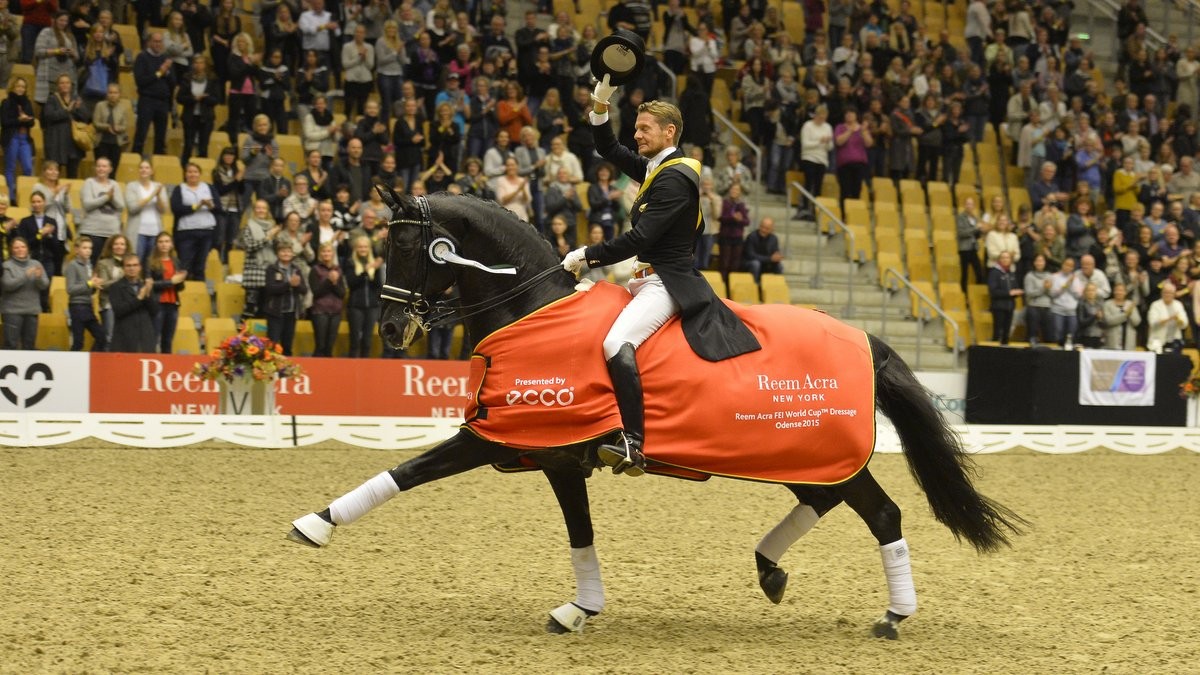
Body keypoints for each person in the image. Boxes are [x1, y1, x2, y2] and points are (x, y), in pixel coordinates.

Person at [561, 85, 760, 476]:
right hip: (642, 279)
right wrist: (601, 104)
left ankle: (633, 442)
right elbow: (609, 150)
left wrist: (585, 255)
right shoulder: (658, 168)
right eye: (635, 128)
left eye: (644, 129)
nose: (636, 136)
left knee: (617, 341)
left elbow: (640, 239)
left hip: (665, 283)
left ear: (669, 132)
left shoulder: (674, 178)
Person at [171, 162, 222, 282]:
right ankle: (184, 294)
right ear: (185, 174)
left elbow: (219, 208)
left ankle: (199, 292)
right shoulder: (179, 188)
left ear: (200, 174)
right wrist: (196, 206)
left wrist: (210, 205)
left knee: (200, 266)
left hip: (206, 232)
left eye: (195, 172)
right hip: (186, 232)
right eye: (189, 172)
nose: (192, 174)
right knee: (185, 265)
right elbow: (176, 209)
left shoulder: (209, 187)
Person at [131, 31, 175, 156]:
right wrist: (160, 72)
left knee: (160, 138)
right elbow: (140, 81)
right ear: (149, 42)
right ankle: (136, 159)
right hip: (147, 100)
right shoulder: (142, 57)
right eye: (155, 41)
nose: (157, 44)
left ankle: (158, 163)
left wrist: (167, 72)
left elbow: (173, 82)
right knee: (141, 134)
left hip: (163, 102)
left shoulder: (166, 59)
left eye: (160, 41)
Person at [1, 237, 49, 349]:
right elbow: (7, 285)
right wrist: (25, 275)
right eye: (16, 247)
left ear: (27, 249)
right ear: (11, 250)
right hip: (12, 312)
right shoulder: (6, 265)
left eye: (23, 247)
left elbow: (44, 285)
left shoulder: (36, 263)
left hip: (31, 310)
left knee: (29, 345)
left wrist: (38, 278)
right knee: (11, 344)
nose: (20, 249)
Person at [262, 239, 307, 356]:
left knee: (287, 346)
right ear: (278, 253)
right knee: (273, 345)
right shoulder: (271, 269)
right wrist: (288, 284)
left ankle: (287, 372)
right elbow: (270, 288)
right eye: (283, 251)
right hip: (275, 313)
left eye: (288, 251)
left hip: (292, 313)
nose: (286, 254)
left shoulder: (296, 269)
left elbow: (304, 290)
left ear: (292, 254)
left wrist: (297, 286)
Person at [108, 253, 157, 353]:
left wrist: (148, 295)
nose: (132, 268)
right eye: (128, 265)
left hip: (145, 337)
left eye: (135, 265)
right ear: (123, 268)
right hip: (124, 338)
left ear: (140, 267)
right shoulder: (115, 287)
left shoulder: (145, 286)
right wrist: (138, 298)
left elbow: (155, 311)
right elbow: (119, 311)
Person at [64, 236, 106, 351]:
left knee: (101, 336)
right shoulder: (73, 265)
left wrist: (95, 285)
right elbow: (70, 289)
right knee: (78, 342)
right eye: (85, 248)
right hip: (77, 306)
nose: (88, 251)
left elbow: (89, 288)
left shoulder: (89, 265)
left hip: (88, 305)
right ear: (77, 250)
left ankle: (91, 361)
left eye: (90, 248)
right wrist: (89, 284)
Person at [178, 55, 221, 165]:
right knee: (188, 145)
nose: (199, 65)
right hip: (190, 116)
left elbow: (216, 99)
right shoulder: (187, 78)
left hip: (206, 117)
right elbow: (180, 98)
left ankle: (202, 170)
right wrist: (194, 99)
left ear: (205, 65)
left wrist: (204, 99)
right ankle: (184, 169)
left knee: (203, 146)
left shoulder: (212, 79)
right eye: (196, 62)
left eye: (201, 63)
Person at [146, 232, 186, 354]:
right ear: (157, 244)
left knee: (168, 340)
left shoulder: (176, 261)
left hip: (173, 304)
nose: (164, 244)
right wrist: (171, 281)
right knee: (154, 339)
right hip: (158, 304)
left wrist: (181, 280)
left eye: (167, 241)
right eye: (161, 242)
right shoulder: (150, 262)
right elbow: (149, 285)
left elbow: (179, 287)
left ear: (172, 244)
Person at [238, 199, 278, 318]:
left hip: (269, 274)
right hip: (253, 276)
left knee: (265, 312)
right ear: (254, 210)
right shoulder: (248, 227)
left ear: (267, 211)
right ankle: (244, 336)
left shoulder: (273, 227)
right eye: (258, 208)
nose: (261, 210)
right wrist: (267, 238)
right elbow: (249, 246)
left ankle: (260, 337)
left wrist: (275, 238)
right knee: (250, 311)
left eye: (263, 208)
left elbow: (278, 250)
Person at [345, 234, 382, 358]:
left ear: (369, 248)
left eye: (365, 247)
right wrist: (365, 271)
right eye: (360, 247)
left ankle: (365, 369)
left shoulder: (374, 264)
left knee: (367, 340)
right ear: (356, 248)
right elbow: (351, 283)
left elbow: (378, 285)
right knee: (355, 340)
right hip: (355, 306)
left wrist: (375, 270)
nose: (363, 249)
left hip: (372, 306)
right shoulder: (350, 262)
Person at [80, 157, 125, 255]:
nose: (101, 169)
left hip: (112, 232)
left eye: (104, 166)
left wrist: (112, 198)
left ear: (110, 169)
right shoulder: (89, 183)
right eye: (98, 166)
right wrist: (106, 197)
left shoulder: (115, 185)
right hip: (92, 231)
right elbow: (87, 205)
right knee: (93, 262)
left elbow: (121, 206)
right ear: (95, 168)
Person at [33, 12, 79, 108]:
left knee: (67, 107)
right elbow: (38, 51)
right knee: (51, 106)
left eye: (66, 21)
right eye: (61, 20)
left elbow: (77, 56)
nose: (63, 23)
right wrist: (57, 51)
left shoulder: (70, 35)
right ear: (55, 20)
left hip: (69, 76)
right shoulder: (46, 32)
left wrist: (73, 53)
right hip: (51, 77)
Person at [125, 160, 168, 261]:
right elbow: (133, 208)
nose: (144, 170)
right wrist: (153, 194)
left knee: (152, 263)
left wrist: (158, 196)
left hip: (155, 231)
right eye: (141, 167)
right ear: (138, 170)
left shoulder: (159, 186)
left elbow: (163, 210)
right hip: (138, 232)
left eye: (147, 168)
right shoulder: (131, 186)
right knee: (136, 261)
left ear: (152, 171)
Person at [41, 74, 82, 178]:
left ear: (71, 85)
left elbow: (86, 117)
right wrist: (67, 111)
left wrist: (78, 109)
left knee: (72, 175)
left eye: (67, 83)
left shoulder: (76, 98)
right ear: (57, 85)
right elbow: (49, 116)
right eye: (62, 83)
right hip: (56, 142)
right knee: (53, 174)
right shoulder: (52, 99)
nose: (65, 85)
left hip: (72, 143)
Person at [308, 242, 345, 357]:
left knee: (330, 346)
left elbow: (342, 293)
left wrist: (334, 284)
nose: (326, 254)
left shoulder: (338, 269)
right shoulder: (315, 269)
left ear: (333, 253)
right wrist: (329, 281)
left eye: (329, 251)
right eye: (324, 251)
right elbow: (316, 292)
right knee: (320, 345)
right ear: (320, 254)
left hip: (336, 312)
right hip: (320, 311)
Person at [1, 77, 36, 195]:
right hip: (12, 137)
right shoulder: (6, 102)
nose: (21, 89)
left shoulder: (27, 102)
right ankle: (10, 196)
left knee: (28, 167)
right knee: (10, 167)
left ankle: (24, 195)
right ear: (13, 87)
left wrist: (25, 120)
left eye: (23, 87)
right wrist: (19, 119)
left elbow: (32, 122)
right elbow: (5, 122)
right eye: (18, 86)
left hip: (24, 139)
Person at [16, 192, 64, 277]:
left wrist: (50, 235)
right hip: (30, 259)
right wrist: (40, 235)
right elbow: (24, 243)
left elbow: (56, 245)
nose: (36, 204)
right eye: (34, 202)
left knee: (47, 287)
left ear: (44, 202)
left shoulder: (51, 221)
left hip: (48, 260)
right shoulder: (25, 221)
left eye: (39, 201)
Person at [91, 82, 132, 171]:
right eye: (110, 92)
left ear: (119, 94)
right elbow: (95, 122)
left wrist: (118, 128)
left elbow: (124, 126)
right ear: (107, 94)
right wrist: (107, 127)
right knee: (101, 170)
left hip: (116, 143)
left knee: (112, 170)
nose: (112, 95)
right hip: (101, 142)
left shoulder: (123, 108)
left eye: (115, 93)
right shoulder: (100, 105)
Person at [718, 182, 750, 285]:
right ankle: (722, 284)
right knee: (724, 262)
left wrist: (740, 219)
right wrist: (733, 218)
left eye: (737, 190)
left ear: (740, 193)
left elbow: (747, 221)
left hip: (737, 237)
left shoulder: (741, 205)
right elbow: (720, 218)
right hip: (725, 236)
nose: (734, 191)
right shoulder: (724, 203)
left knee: (735, 264)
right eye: (733, 189)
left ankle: (732, 286)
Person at [1146, 282, 1187, 353]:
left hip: (1174, 342)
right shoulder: (1155, 305)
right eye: (1165, 292)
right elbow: (1153, 324)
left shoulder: (1178, 305)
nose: (1167, 295)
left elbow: (1184, 324)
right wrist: (1169, 319)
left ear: (1174, 294)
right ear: (1161, 293)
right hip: (1158, 342)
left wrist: (1178, 320)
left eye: (1170, 293)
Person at [1049, 256, 1081, 345]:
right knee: (1058, 334)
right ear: (1062, 265)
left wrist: (1071, 285)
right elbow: (1053, 294)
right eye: (1066, 265)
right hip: (1057, 310)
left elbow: (1078, 295)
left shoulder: (1076, 279)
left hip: (1071, 311)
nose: (1068, 267)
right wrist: (1067, 285)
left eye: (1071, 266)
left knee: (1071, 335)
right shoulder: (1054, 277)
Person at [1023, 254, 1054, 345]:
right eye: (1038, 260)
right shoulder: (1029, 276)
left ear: (1045, 263)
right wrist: (1044, 288)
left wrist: (1048, 289)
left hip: (1047, 306)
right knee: (1032, 333)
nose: (1039, 263)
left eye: (1042, 261)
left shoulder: (1049, 275)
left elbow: (1052, 294)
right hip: (1033, 306)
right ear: (1034, 262)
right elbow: (1029, 293)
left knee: (1049, 334)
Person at [957, 196, 986, 290]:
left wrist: (980, 231)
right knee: (964, 273)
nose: (969, 206)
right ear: (965, 205)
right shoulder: (960, 217)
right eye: (968, 204)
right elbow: (961, 233)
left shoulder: (975, 218)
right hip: (964, 249)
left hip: (973, 248)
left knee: (979, 272)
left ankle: (977, 291)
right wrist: (975, 228)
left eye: (971, 204)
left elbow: (975, 235)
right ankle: (964, 294)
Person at [1102, 282, 1142, 350]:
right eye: (1117, 290)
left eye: (1121, 290)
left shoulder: (1130, 304)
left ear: (1125, 292)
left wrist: (1130, 314)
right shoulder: (1107, 304)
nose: (1119, 292)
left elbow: (1136, 322)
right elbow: (1108, 321)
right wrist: (1125, 314)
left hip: (1129, 342)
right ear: (1114, 292)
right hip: (1112, 342)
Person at [743, 217, 783, 282]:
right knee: (755, 264)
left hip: (766, 262)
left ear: (772, 229)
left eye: (767, 229)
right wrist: (769, 259)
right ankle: (755, 286)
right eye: (762, 227)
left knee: (779, 266)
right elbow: (750, 255)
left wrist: (777, 256)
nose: (763, 230)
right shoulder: (752, 236)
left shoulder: (774, 238)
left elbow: (775, 252)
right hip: (750, 262)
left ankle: (776, 286)